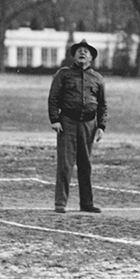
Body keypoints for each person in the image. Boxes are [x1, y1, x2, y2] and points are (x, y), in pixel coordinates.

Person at [47, 39, 107, 214]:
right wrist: (55, 119)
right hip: (67, 123)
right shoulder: (63, 74)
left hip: (89, 124)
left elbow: (103, 105)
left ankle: (86, 203)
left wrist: (101, 126)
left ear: (91, 57)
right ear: (73, 55)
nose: (82, 53)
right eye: (79, 50)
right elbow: (53, 98)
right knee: (65, 164)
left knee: (85, 164)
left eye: (86, 51)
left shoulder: (97, 78)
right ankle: (60, 203)